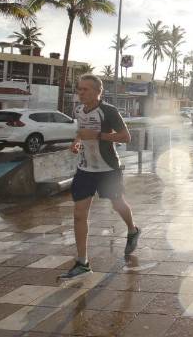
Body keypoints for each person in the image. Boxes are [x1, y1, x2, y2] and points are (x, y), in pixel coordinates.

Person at [58, 74, 140, 280]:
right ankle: (82, 263)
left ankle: (132, 230)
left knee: (117, 204)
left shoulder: (109, 111)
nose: (81, 93)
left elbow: (126, 137)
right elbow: (81, 131)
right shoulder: (79, 110)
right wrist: (76, 142)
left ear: (98, 92)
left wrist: (97, 136)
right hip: (85, 168)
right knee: (79, 213)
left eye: (85, 89)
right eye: (79, 89)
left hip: (108, 168)